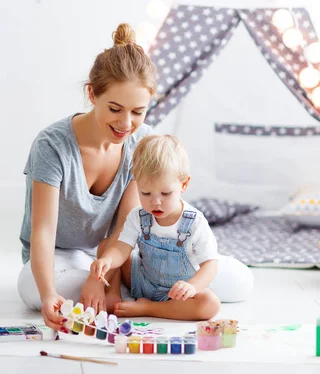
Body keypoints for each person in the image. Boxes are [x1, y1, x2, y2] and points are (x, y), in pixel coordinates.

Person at [16, 23, 254, 332]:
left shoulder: (141, 142)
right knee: (32, 289)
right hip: (64, 255)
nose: (126, 123)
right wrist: (50, 294)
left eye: (138, 112)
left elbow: (125, 226)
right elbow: (43, 233)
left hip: (122, 255)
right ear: (92, 94)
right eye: (115, 109)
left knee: (240, 282)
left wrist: (100, 276)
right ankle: (137, 295)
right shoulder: (52, 146)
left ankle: (135, 295)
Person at [91, 134, 219, 320]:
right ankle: (113, 294)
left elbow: (210, 265)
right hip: (141, 281)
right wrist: (108, 261)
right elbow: (122, 248)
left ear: (184, 184)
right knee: (106, 246)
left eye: (165, 193)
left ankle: (149, 309)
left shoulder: (195, 222)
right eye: (145, 193)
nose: (155, 202)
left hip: (176, 294)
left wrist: (192, 287)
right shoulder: (138, 216)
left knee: (210, 304)